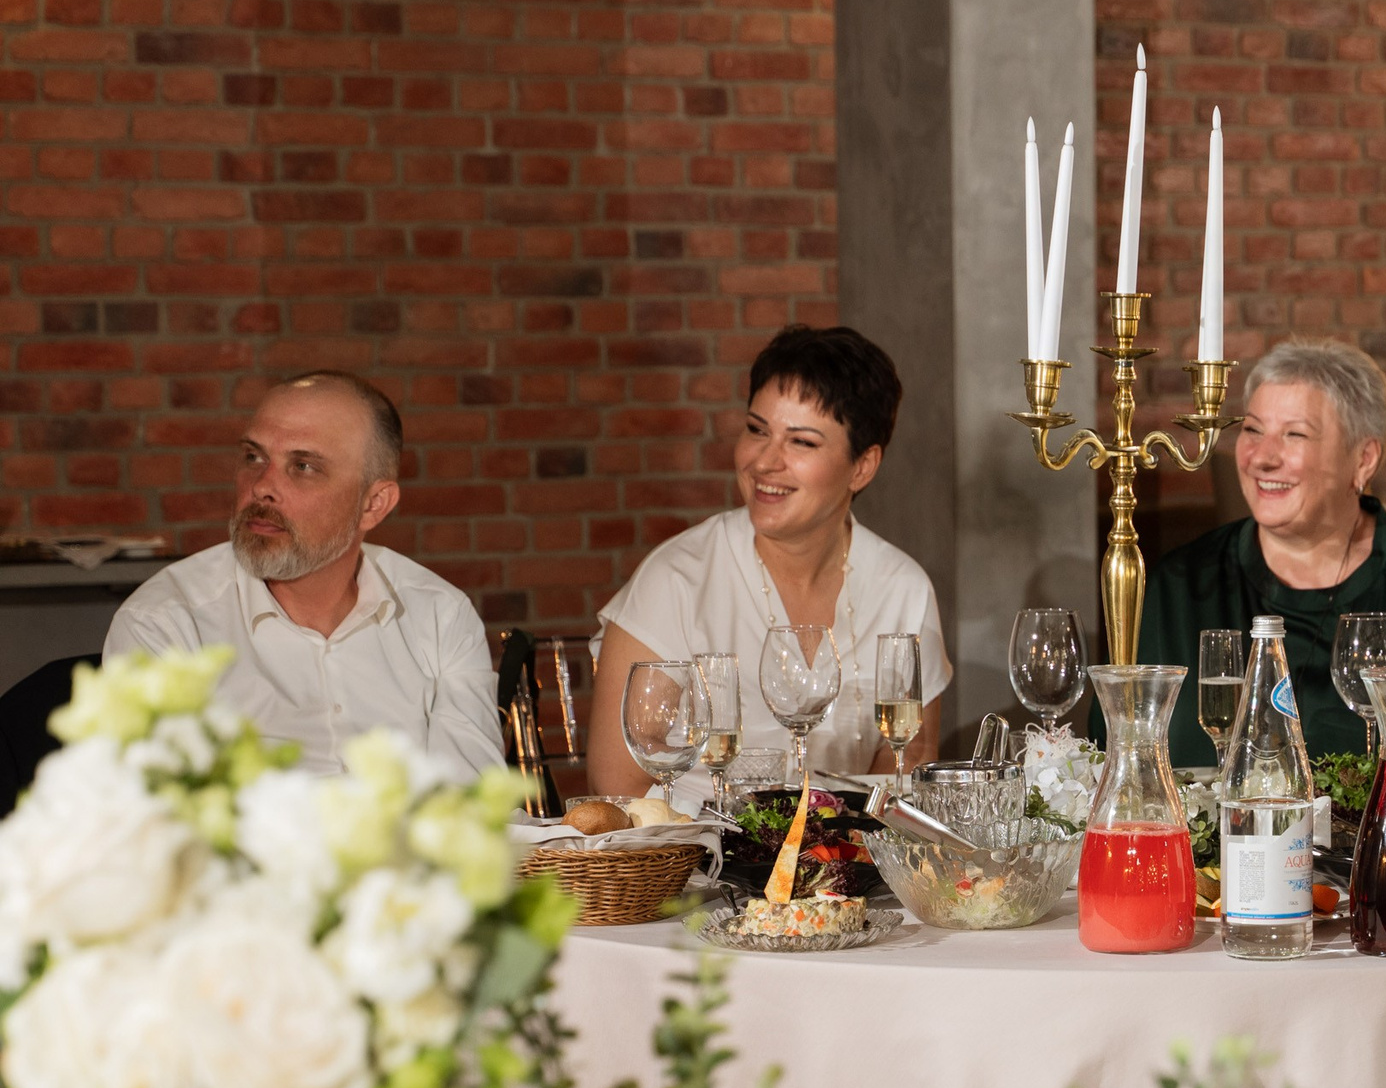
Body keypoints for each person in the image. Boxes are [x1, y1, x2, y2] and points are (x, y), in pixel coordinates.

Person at [588, 325, 948, 798]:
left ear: (862, 466)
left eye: (801, 442)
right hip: (693, 844)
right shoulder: (676, 578)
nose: (764, 462)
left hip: (843, 845)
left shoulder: (903, 588)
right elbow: (616, 786)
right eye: (757, 430)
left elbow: (906, 767)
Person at [105, 370, 502, 780]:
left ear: (373, 504)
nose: (262, 487)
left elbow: (473, 800)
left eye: (303, 466)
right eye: (254, 457)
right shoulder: (164, 623)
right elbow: (159, 811)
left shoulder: (440, 616)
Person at [1137, 339, 1386, 766]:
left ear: (1363, 460)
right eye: (1252, 430)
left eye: (1295, 434)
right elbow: (1115, 760)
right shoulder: (1178, 587)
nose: (1262, 458)